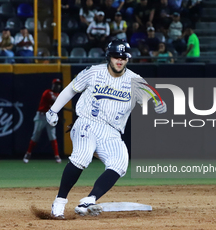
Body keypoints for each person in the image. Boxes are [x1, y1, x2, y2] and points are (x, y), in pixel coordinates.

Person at [46, 39, 167, 219]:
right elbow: (71, 90)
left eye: (123, 57)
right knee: (82, 157)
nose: (119, 60)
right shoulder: (94, 72)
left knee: (120, 163)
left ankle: (89, 199)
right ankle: (59, 202)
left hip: (112, 131)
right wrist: (53, 110)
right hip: (87, 122)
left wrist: (159, 104)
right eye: (116, 56)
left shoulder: (135, 81)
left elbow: (156, 98)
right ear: (108, 57)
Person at [24, 79, 63, 164]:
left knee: (53, 136)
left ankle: (57, 156)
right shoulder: (47, 92)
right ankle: (28, 153)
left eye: (59, 84)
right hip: (42, 116)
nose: (57, 86)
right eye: (56, 84)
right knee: (35, 135)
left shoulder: (59, 95)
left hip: (51, 117)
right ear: (52, 85)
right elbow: (53, 103)